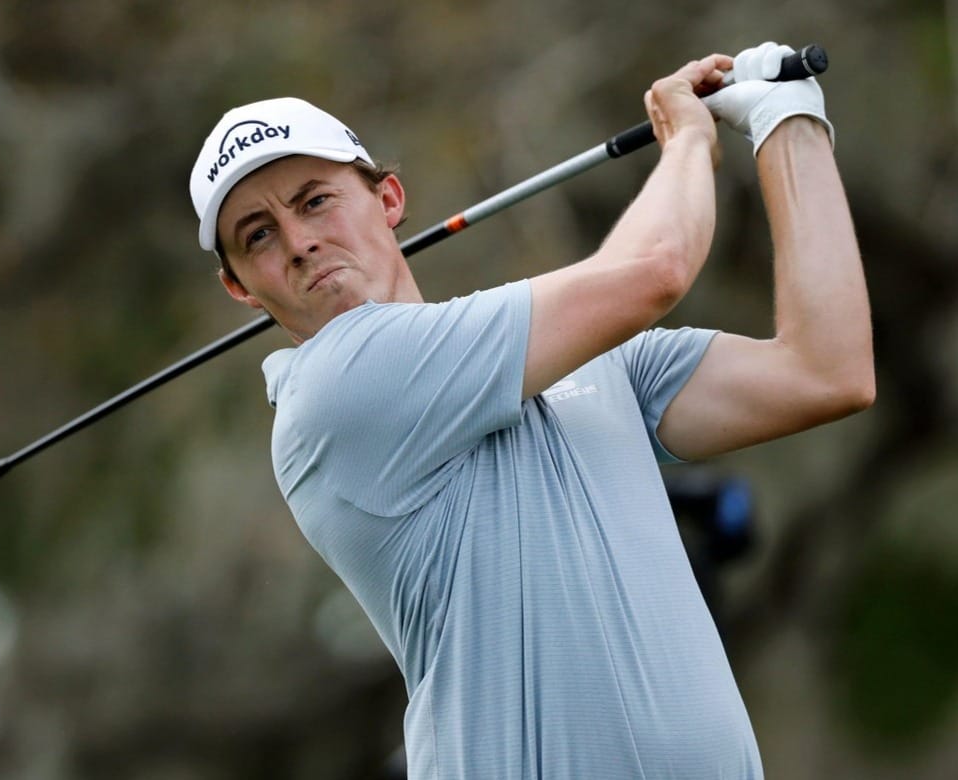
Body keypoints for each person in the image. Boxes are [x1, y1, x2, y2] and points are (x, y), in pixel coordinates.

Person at [187, 41, 873, 778]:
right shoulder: (334, 388)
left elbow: (825, 371)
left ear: (388, 200)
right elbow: (654, 271)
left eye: (314, 200)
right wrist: (690, 139)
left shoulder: (586, 360)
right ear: (240, 289)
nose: (298, 242)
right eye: (257, 235)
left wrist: (788, 123)